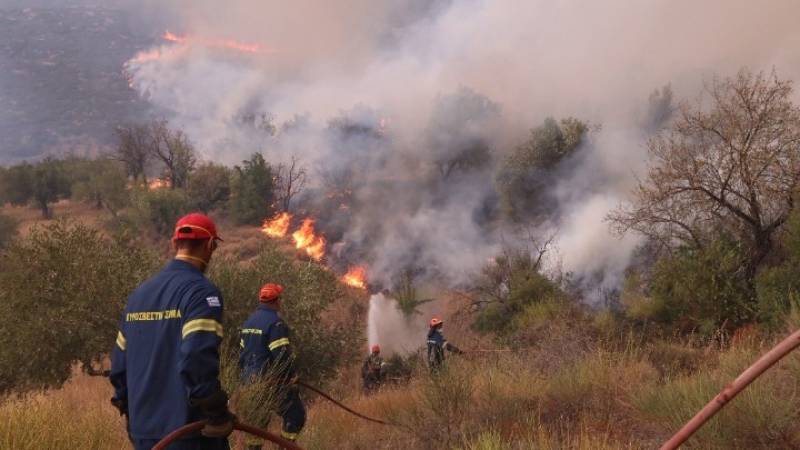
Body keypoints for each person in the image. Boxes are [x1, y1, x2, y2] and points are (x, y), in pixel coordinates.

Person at [109, 213, 234, 450]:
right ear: (210, 246)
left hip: (143, 432)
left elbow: (119, 365)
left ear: (174, 243)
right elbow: (196, 357)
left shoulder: (139, 296)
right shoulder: (202, 293)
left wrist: (129, 409)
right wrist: (216, 410)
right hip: (189, 433)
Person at [238, 283, 306, 448]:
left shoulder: (248, 323)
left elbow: (242, 356)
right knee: (295, 415)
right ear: (276, 301)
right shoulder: (276, 324)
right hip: (271, 383)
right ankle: (286, 445)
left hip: (249, 383)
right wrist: (291, 378)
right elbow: (281, 355)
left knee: (257, 425)